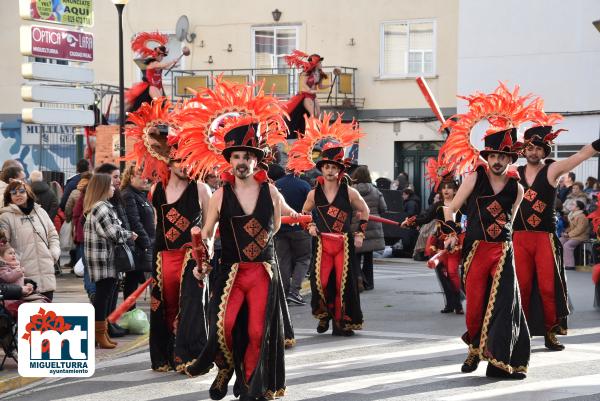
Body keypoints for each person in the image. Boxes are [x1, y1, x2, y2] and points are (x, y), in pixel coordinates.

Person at [184, 122, 289, 401]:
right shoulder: (220, 195)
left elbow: (275, 228)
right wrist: (200, 260)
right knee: (224, 327)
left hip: (262, 274)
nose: (242, 162)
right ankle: (224, 367)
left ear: (257, 159)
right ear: (229, 161)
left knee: (257, 332)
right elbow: (206, 233)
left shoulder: (272, 192)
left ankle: (250, 386)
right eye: (237, 157)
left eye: (247, 156)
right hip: (231, 272)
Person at [443, 127, 530, 379]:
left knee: (504, 306)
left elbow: (510, 223)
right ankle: (473, 348)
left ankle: (501, 360)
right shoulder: (474, 178)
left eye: (503, 156)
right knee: (475, 308)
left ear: (510, 159)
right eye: (493, 156)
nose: (497, 161)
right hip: (475, 250)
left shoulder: (517, 189)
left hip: (502, 251)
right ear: (487, 157)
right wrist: (450, 233)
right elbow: (452, 208)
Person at [513, 122, 600, 351]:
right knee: (519, 286)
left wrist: (596, 144)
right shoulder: (513, 173)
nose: (534, 152)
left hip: (544, 238)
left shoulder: (551, 170)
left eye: (539, 148)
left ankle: (551, 332)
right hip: (518, 238)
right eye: (530, 148)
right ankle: (518, 331)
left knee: (548, 287)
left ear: (545, 151)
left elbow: (580, 155)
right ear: (524, 150)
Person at [284, 114, 368, 338]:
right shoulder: (313, 193)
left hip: (344, 243)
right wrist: (309, 226)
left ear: (341, 170)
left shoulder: (350, 192)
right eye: (326, 167)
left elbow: (364, 210)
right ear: (321, 168)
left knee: (343, 284)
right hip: (321, 243)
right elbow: (304, 214)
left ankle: (342, 322)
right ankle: (324, 315)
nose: (330, 171)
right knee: (320, 283)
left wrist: (360, 232)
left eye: (334, 167)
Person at [83, 174, 137, 349]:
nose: (114, 188)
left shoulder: (100, 207)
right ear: (103, 188)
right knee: (103, 297)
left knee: (105, 296)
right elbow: (112, 233)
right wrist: (130, 234)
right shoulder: (101, 208)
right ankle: (100, 334)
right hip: (103, 259)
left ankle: (102, 333)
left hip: (104, 258)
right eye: (111, 186)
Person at [403, 168, 464, 314]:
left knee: (452, 272)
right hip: (439, 244)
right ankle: (451, 304)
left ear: (456, 190)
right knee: (442, 275)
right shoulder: (437, 206)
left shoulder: (463, 205)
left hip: (457, 244)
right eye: (444, 187)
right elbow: (424, 218)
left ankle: (459, 301)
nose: (446, 190)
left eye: (450, 187)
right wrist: (409, 222)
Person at [0, 180, 60, 300]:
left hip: (46, 273)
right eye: (13, 192)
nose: (18, 195)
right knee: (27, 315)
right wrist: (13, 263)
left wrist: (53, 253)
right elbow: (3, 246)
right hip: (23, 277)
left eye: (21, 191)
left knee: (46, 314)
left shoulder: (41, 212)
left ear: (28, 193)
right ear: (9, 197)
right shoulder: (5, 217)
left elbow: (53, 235)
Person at [121, 164, 156, 312]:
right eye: (140, 175)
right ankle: (130, 313)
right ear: (130, 177)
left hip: (144, 244)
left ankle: (131, 312)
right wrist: (147, 243)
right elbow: (134, 221)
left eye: (146, 175)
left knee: (135, 280)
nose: (145, 179)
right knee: (132, 280)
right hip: (138, 245)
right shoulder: (129, 194)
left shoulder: (140, 194)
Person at [275, 170, 312, 305]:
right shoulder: (304, 185)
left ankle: (284, 293)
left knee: (283, 260)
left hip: (281, 229)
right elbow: (310, 206)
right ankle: (294, 292)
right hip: (300, 228)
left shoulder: (276, 184)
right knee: (303, 259)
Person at [125, 32, 185, 113]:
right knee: (160, 104)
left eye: (163, 56)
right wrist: (172, 61)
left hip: (158, 87)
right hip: (151, 87)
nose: (162, 57)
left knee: (162, 105)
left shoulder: (158, 64)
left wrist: (173, 65)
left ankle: (161, 119)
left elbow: (165, 66)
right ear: (156, 55)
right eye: (161, 56)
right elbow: (163, 65)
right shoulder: (152, 63)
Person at [283, 51, 338, 137]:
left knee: (318, 113)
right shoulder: (307, 72)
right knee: (312, 115)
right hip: (307, 95)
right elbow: (304, 84)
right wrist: (310, 90)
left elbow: (320, 86)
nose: (321, 64)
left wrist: (329, 85)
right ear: (315, 63)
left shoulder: (319, 73)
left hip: (313, 96)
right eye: (319, 62)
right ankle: (308, 132)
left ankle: (313, 130)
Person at [351, 165, 387, 291]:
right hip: (372, 225)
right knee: (368, 257)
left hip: (355, 225)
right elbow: (383, 208)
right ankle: (369, 283)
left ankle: (359, 278)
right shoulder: (375, 191)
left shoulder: (350, 191)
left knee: (354, 255)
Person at [560, 200, 589, 271]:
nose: (571, 205)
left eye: (573, 204)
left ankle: (570, 265)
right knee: (559, 241)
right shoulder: (572, 215)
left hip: (581, 236)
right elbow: (571, 227)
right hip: (573, 235)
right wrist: (565, 232)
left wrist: (568, 234)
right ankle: (560, 263)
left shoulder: (582, 216)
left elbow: (580, 229)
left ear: (578, 208)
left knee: (567, 245)